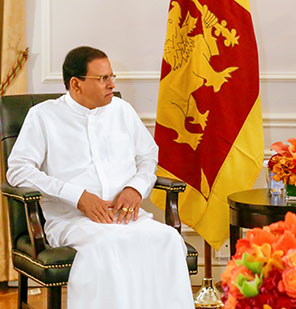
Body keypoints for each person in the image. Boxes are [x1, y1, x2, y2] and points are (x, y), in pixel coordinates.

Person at [6, 46, 194, 308]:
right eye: (103, 78)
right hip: (71, 220)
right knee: (108, 244)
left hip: (125, 216)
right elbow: (18, 170)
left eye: (111, 77)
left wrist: (136, 188)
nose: (112, 84)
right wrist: (77, 196)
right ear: (76, 84)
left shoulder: (122, 111)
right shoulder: (44, 116)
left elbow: (149, 156)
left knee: (168, 239)